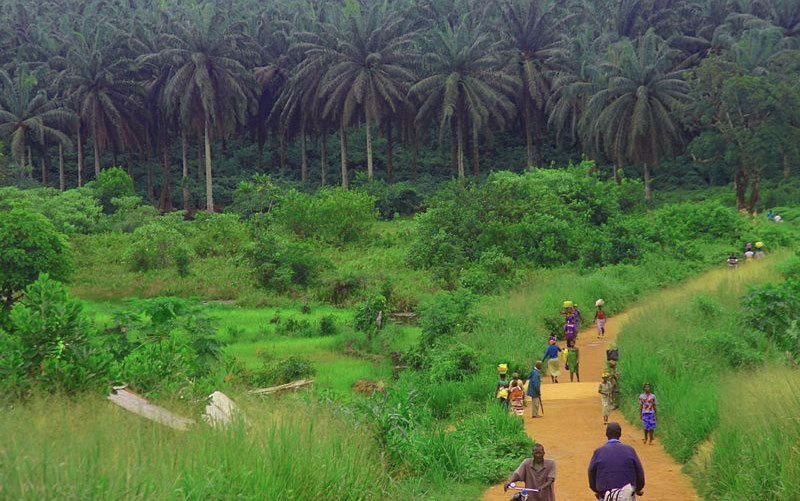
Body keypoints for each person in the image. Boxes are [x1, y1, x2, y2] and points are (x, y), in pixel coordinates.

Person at [588, 422, 645, 501]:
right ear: (620, 434)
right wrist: (638, 489)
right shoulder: (630, 450)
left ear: (606, 434)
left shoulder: (598, 452)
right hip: (626, 495)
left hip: (606, 495)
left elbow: (591, 473)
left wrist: (597, 490)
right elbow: (639, 472)